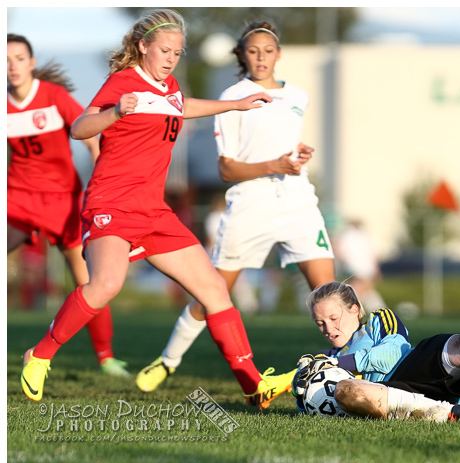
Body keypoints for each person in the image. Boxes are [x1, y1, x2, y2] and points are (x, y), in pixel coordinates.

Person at [19, 9, 294, 409]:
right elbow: (80, 127)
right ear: (143, 46)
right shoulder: (123, 82)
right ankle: (40, 354)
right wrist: (115, 113)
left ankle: (253, 385)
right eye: (164, 50)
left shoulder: (169, 87)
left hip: (153, 211)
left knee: (215, 290)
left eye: (178, 53)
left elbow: (180, 105)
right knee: (106, 285)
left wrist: (235, 106)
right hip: (111, 202)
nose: (170, 58)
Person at [136, 20, 335, 400]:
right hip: (250, 205)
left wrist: (298, 155)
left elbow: (285, 145)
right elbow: (226, 168)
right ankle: (168, 359)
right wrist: (274, 164)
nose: (261, 57)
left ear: (279, 54)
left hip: (297, 201)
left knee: (329, 293)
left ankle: (353, 373)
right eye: (253, 50)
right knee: (212, 294)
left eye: (268, 50)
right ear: (242, 55)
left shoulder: (298, 95)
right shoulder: (233, 97)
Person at [7, 34, 128, 377]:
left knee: (89, 279)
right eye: (6, 60)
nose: (12, 66)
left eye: (18, 58)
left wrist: (99, 178)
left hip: (62, 200)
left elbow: (89, 133)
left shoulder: (53, 96)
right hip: (17, 198)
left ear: (31, 63)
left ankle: (105, 357)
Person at [292, 281, 460, 423]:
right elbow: (314, 402)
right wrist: (298, 386)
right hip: (389, 399)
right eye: (320, 323)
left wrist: (339, 362)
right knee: (348, 391)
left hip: (412, 370)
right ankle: (450, 415)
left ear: (355, 309)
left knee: (454, 346)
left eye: (334, 318)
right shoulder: (323, 358)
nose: (329, 328)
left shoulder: (378, 320)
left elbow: (389, 355)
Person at [335, 219, 386, 311]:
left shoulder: (357, 235)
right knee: (360, 287)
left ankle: (373, 307)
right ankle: (349, 306)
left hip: (359, 266)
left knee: (364, 289)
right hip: (358, 266)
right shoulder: (352, 236)